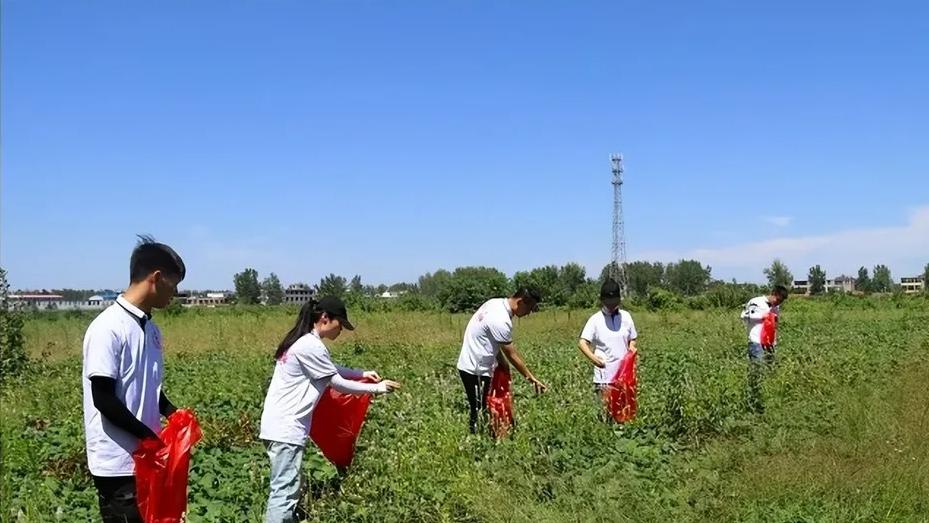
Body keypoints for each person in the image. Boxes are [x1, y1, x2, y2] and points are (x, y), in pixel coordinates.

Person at [259, 296, 400, 523]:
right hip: (286, 430)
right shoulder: (310, 346)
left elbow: (330, 368)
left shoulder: (303, 342)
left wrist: (360, 373)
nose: (341, 330)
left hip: (278, 427)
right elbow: (336, 382)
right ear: (325, 318)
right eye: (340, 324)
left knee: (287, 488)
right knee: (283, 495)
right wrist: (377, 388)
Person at [82, 236, 187, 522]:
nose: (175, 293)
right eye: (173, 284)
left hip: (147, 458)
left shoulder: (151, 329)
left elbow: (150, 388)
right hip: (118, 463)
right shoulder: (108, 327)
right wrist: (149, 438)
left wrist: (173, 413)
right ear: (156, 277)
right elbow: (103, 398)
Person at [455, 288, 547, 434]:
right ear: (521, 302)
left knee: (482, 406)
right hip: (476, 369)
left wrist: (502, 363)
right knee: (479, 409)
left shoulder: (495, 303)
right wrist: (532, 378)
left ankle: (487, 436)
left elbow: (491, 339)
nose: (529, 313)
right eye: (529, 308)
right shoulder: (501, 320)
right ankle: (479, 442)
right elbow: (512, 355)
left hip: (469, 363)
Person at [578, 278, 638, 418]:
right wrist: (594, 359)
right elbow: (582, 342)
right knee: (607, 414)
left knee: (625, 413)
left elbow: (632, 339)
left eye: (614, 302)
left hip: (624, 375)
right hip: (604, 376)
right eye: (608, 302)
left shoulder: (626, 317)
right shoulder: (595, 320)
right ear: (602, 300)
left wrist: (631, 349)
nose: (611, 305)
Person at [740, 285, 789, 412]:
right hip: (756, 342)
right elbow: (744, 316)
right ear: (773, 293)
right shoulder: (756, 302)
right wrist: (762, 316)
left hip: (769, 343)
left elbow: (774, 324)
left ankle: (768, 400)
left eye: (780, 302)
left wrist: (775, 341)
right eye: (777, 300)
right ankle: (754, 400)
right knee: (758, 372)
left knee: (770, 370)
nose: (777, 303)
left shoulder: (775, 307)